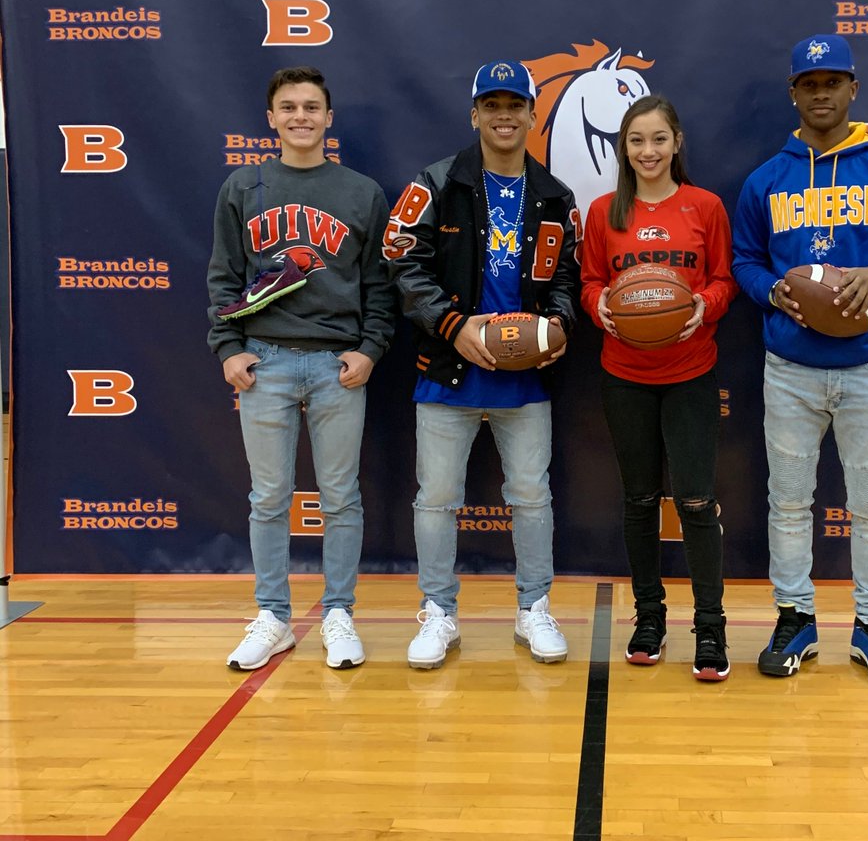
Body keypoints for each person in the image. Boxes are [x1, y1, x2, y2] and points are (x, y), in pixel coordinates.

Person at [731, 36, 868, 686]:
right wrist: (771, 291)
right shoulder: (767, 180)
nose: (821, 93)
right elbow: (744, 261)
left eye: (832, 82)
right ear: (793, 93)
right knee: (789, 502)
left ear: (854, 89)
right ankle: (795, 617)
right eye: (809, 83)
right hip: (790, 369)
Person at [386, 60, 579, 670]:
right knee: (437, 498)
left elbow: (567, 279)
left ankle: (534, 607)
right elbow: (404, 264)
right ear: (474, 115)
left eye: (515, 104)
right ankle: (438, 611)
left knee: (531, 496)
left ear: (532, 114)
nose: (504, 115)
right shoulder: (436, 182)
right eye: (491, 105)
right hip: (449, 368)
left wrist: (558, 327)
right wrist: (453, 325)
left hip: (525, 376)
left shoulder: (555, 195)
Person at [208, 66, 394, 672]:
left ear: (328, 117)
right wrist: (228, 347)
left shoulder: (362, 192)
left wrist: (370, 348)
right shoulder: (243, 186)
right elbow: (224, 277)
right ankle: (273, 617)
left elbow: (380, 285)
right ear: (271, 119)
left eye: (311, 106)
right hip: (265, 359)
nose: (300, 117)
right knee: (269, 497)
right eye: (288, 107)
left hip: (337, 363)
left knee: (340, 497)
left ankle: (338, 613)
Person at [580, 96, 738, 680]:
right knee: (640, 500)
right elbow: (590, 281)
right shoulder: (604, 212)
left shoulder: (705, 206)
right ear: (623, 148)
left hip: (691, 373)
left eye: (658, 139)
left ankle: (711, 627)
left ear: (677, 143)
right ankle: (649, 617)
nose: (648, 151)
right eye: (636, 141)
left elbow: (724, 278)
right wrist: (600, 306)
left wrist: (704, 304)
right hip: (625, 375)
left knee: (695, 501)